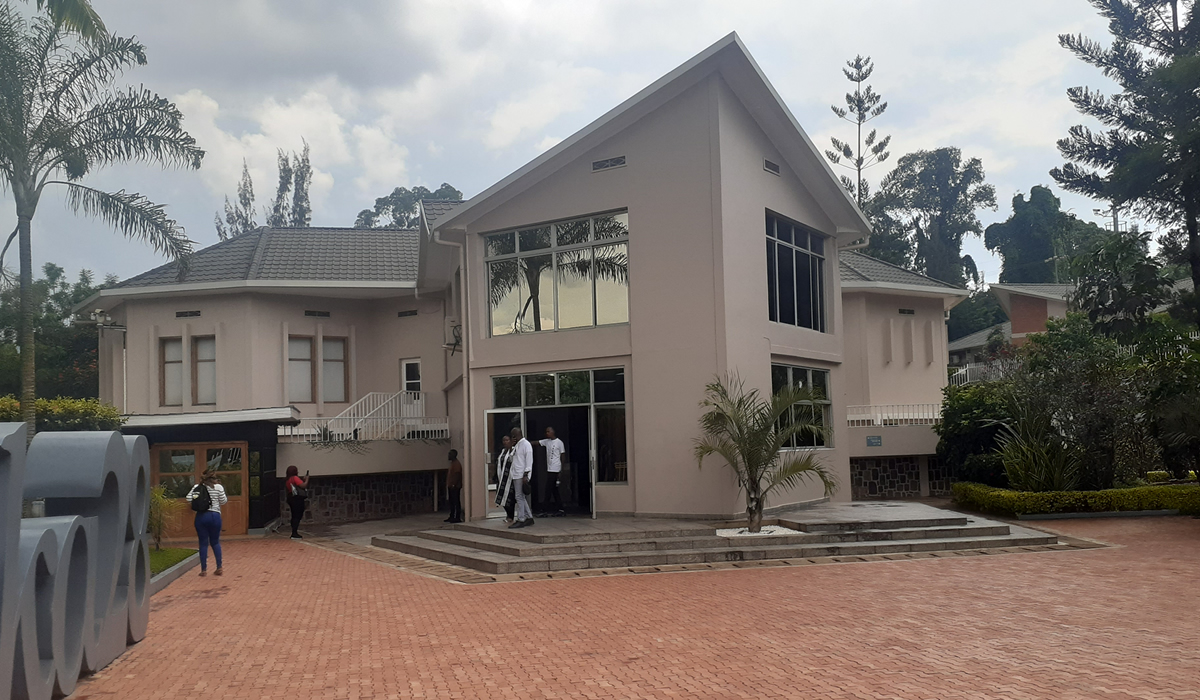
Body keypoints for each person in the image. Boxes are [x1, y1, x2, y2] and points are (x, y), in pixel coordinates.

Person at [186, 468, 228, 576]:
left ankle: (203, 570)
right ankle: (219, 567)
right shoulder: (218, 487)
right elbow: (223, 501)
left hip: (201, 516)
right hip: (215, 516)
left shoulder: (197, 487)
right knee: (215, 542)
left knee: (203, 543)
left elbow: (188, 498)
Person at [509, 427, 534, 528]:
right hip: (516, 474)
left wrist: (526, 475)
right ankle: (529, 517)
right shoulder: (517, 445)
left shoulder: (526, 444)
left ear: (516, 435)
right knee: (521, 497)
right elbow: (511, 458)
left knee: (519, 497)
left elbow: (529, 461)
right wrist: (512, 446)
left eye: (513, 436)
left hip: (521, 474)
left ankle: (521, 519)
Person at [538, 427, 566, 516]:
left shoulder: (559, 442)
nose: (547, 433)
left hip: (556, 469)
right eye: (546, 432)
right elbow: (537, 443)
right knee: (554, 490)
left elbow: (563, 456)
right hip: (549, 469)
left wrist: (561, 470)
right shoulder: (547, 442)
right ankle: (561, 509)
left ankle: (544, 510)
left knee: (548, 490)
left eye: (548, 431)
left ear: (553, 432)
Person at [495, 435, 517, 523]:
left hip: (510, 479)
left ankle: (510, 516)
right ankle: (508, 514)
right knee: (501, 497)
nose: (505, 442)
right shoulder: (503, 451)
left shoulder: (514, 450)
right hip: (501, 478)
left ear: (511, 441)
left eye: (507, 440)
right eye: (503, 440)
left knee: (510, 499)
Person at [284, 465, 310, 539]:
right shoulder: (294, 478)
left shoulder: (288, 479)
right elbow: (303, 485)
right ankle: (294, 533)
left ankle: (294, 531)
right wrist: (307, 480)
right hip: (297, 499)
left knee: (294, 515)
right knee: (298, 515)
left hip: (291, 498)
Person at [445, 450, 463, 523]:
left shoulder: (456, 464)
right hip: (451, 486)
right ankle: (452, 516)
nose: (448, 456)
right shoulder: (453, 463)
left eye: (450, 454)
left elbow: (457, 475)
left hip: (455, 487)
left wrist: (453, 484)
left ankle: (457, 517)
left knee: (455, 502)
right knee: (451, 502)